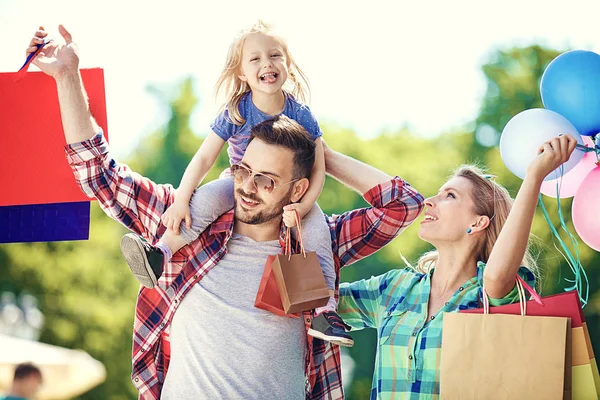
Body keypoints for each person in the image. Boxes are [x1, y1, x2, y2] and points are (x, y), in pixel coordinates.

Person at [25, 25, 424, 399]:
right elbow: (100, 175)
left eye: (267, 180)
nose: (247, 187)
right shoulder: (187, 224)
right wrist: (67, 77)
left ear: (296, 189)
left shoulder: (318, 244)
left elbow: (403, 205)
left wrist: (319, 152)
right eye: (243, 170)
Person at [115, 20, 350, 345]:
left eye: (275, 55)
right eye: (255, 59)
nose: (267, 63)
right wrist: (181, 199)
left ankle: (325, 313)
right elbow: (203, 158)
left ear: (287, 64)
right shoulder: (236, 111)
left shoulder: (302, 114)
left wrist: (302, 206)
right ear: (241, 72)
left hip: (291, 193)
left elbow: (319, 169)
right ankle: (160, 254)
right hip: (242, 185)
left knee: (318, 235)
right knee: (206, 201)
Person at [338, 134, 578, 399]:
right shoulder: (395, 287)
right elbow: (313, 300)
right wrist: (323, 156)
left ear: (477, 223)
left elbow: (497, 276)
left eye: (449, 195)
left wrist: (534, 176)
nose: (429, 201)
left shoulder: (485, 296)